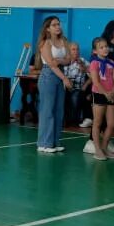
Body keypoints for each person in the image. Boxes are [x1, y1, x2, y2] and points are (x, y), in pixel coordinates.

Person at [35, 16, 71, 154]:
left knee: (58, 110)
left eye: (58, 24)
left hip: (59, 73)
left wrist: (60, 61)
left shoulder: (64, 41)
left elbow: (68, 60)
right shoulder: (45, 43)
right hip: (48, 76)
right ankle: (44, 143)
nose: (58, 27)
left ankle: (55, 141)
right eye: (54, 25)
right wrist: (65, 79)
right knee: (47, 110)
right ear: (48, 28)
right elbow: (51, 63)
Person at [87, 37, 114, 160]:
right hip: (99, 94)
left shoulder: (111, 63)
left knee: (112, 123)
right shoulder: (94, 63)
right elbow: (96, 81)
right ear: (95, 51)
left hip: (110, 94)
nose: (105, 48)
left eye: (106, 46)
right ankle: (97, 149)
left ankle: (105, 147)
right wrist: (105, 93)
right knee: (98, 122)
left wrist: (112, 92)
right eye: (101, 47)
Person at [63, 42, 91, 127]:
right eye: (73, 49)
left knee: (75, 98)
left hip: (78, 88)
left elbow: (92, 76)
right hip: (64, 87)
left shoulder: (83, 61)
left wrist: (85, 86)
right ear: (69, 51)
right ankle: (63, 119)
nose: (76, 51)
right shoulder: (64, 60)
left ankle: (73, 120)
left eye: (77, 49)